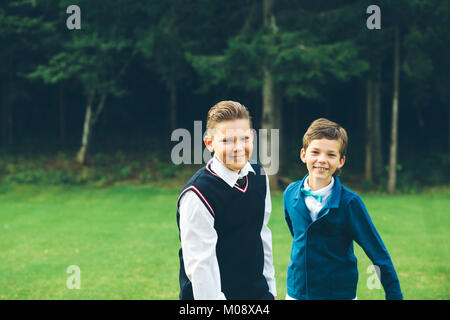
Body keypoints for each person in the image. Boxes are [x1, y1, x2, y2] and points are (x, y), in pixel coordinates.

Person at [284, 118, 403, 300]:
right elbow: (299, 236)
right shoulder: (289, 194)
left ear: (341, 161)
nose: (322, 160)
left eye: (331, 155)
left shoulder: (350, 203)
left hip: (338, 294)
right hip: (297, 292)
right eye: (315, 152)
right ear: (303, 155)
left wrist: (394, 295)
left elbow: (377, 252)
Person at [176, 100, 277, 300]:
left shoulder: (259, 175)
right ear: (209, 143)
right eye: (227, 140)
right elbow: (201, 267)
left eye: (244, 138)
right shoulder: (197, 194)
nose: (237, 147)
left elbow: (262, 234)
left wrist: (270, 290)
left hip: (257, 294)